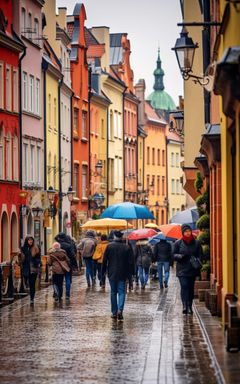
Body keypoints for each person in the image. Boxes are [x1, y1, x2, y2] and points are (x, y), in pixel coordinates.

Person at [102, 231, 133, 320]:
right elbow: (130, 262)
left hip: (112, 272)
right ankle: (120, 310)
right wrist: (131, 275)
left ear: (114, 237)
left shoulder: (109, 246)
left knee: (113, 292)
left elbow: (104, 261)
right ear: (121, 237)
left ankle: (114, 312)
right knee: (122, 292)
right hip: (123, 273)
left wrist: (103, 272)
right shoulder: (126, 247)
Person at [173, 224, 203, 314]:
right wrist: (180, 256)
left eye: (189, 231)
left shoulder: (196, 243)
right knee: (184, 286)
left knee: (190, 287)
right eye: (186, 231)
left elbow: (200, 255)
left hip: (192, 269)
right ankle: (185, 305)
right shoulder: (178, 243)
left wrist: (197, 260)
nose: (188, 233)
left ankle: (190, 306)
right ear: (183, 233)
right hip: (182, 269)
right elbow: (173, 255)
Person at [55, 232, 78, 299]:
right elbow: (72, 256)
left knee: (59, 280)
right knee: (68, 279)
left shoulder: (57, 245)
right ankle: (67, 294)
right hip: (68, 264)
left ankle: (59, 294)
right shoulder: (68, 245)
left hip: (58, 265)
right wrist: (75, 265)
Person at [20, 235, 41, 304]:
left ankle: (32, 298)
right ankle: (26, 293)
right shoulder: (23, 248)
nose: (30, 241)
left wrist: (36, 262)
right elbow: (21, 259)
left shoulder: (36, 248)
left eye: (31, 240)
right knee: (26, 281)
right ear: (26, 241)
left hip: (33, 268)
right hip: (26, 268)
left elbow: (38, 258)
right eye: (29, 240)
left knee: (32, 284)